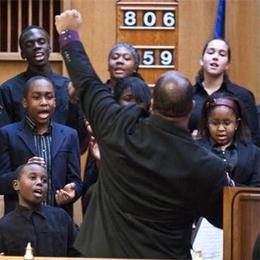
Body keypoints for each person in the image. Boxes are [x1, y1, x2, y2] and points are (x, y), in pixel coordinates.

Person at [55, 10, 233, 259]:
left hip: (106, 254)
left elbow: (87, 82)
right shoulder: (206, 165)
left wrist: (68, 34)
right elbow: (226, 218)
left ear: (152, 105)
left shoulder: (118, 125)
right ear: (191, 108)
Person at [0, 75, 82, 217]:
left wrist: (73, 191)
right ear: (25, 102)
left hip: (57, 222)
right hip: (19, 224)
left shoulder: (69, 135)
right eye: (36, 97)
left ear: (55, 102)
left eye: (49, 97)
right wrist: (22, 173)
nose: (44, 102)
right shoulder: (7, 134)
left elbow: (76, 181)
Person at [192, 93, 260, 259]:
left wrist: (231, 184)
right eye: (215, 123)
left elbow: (257, 190)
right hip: (202, 222)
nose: (221, 128)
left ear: (237, 123)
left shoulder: (253, 152)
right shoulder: (195, 150)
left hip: (243, 223)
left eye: (227, 123)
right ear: (206, 123)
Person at [0, 25, 87, 147]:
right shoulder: (8, 89)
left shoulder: (68, 87)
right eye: (30, 44)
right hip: (22, 162)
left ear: (50, 47)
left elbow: (80, 137)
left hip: (61, 159)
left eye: (41, 42)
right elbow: (4, 139)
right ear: (23, 54)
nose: (37, 47)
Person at [82, 76, 152, 212]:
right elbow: (90, 188)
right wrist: (100, 163)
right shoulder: (103, 134)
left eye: (139, 101)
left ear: (147, 105)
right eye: (128, 99)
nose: (133, 105)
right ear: (116, 102)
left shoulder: (152, 135)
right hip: (108, 207)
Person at [189, 38, 260, 146]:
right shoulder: (188, 95)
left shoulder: (242, 96)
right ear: (201, 60)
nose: (215, 57)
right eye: (210, 52)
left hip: (233, 160)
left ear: (227, 65)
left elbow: (253, 139)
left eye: (222, 54)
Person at [0, 163, 80, 256]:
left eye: (44, 180)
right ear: (16, 185)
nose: (39, 182)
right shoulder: (4, 226)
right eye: (33, 178)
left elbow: (78, 254)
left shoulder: (62, 218)